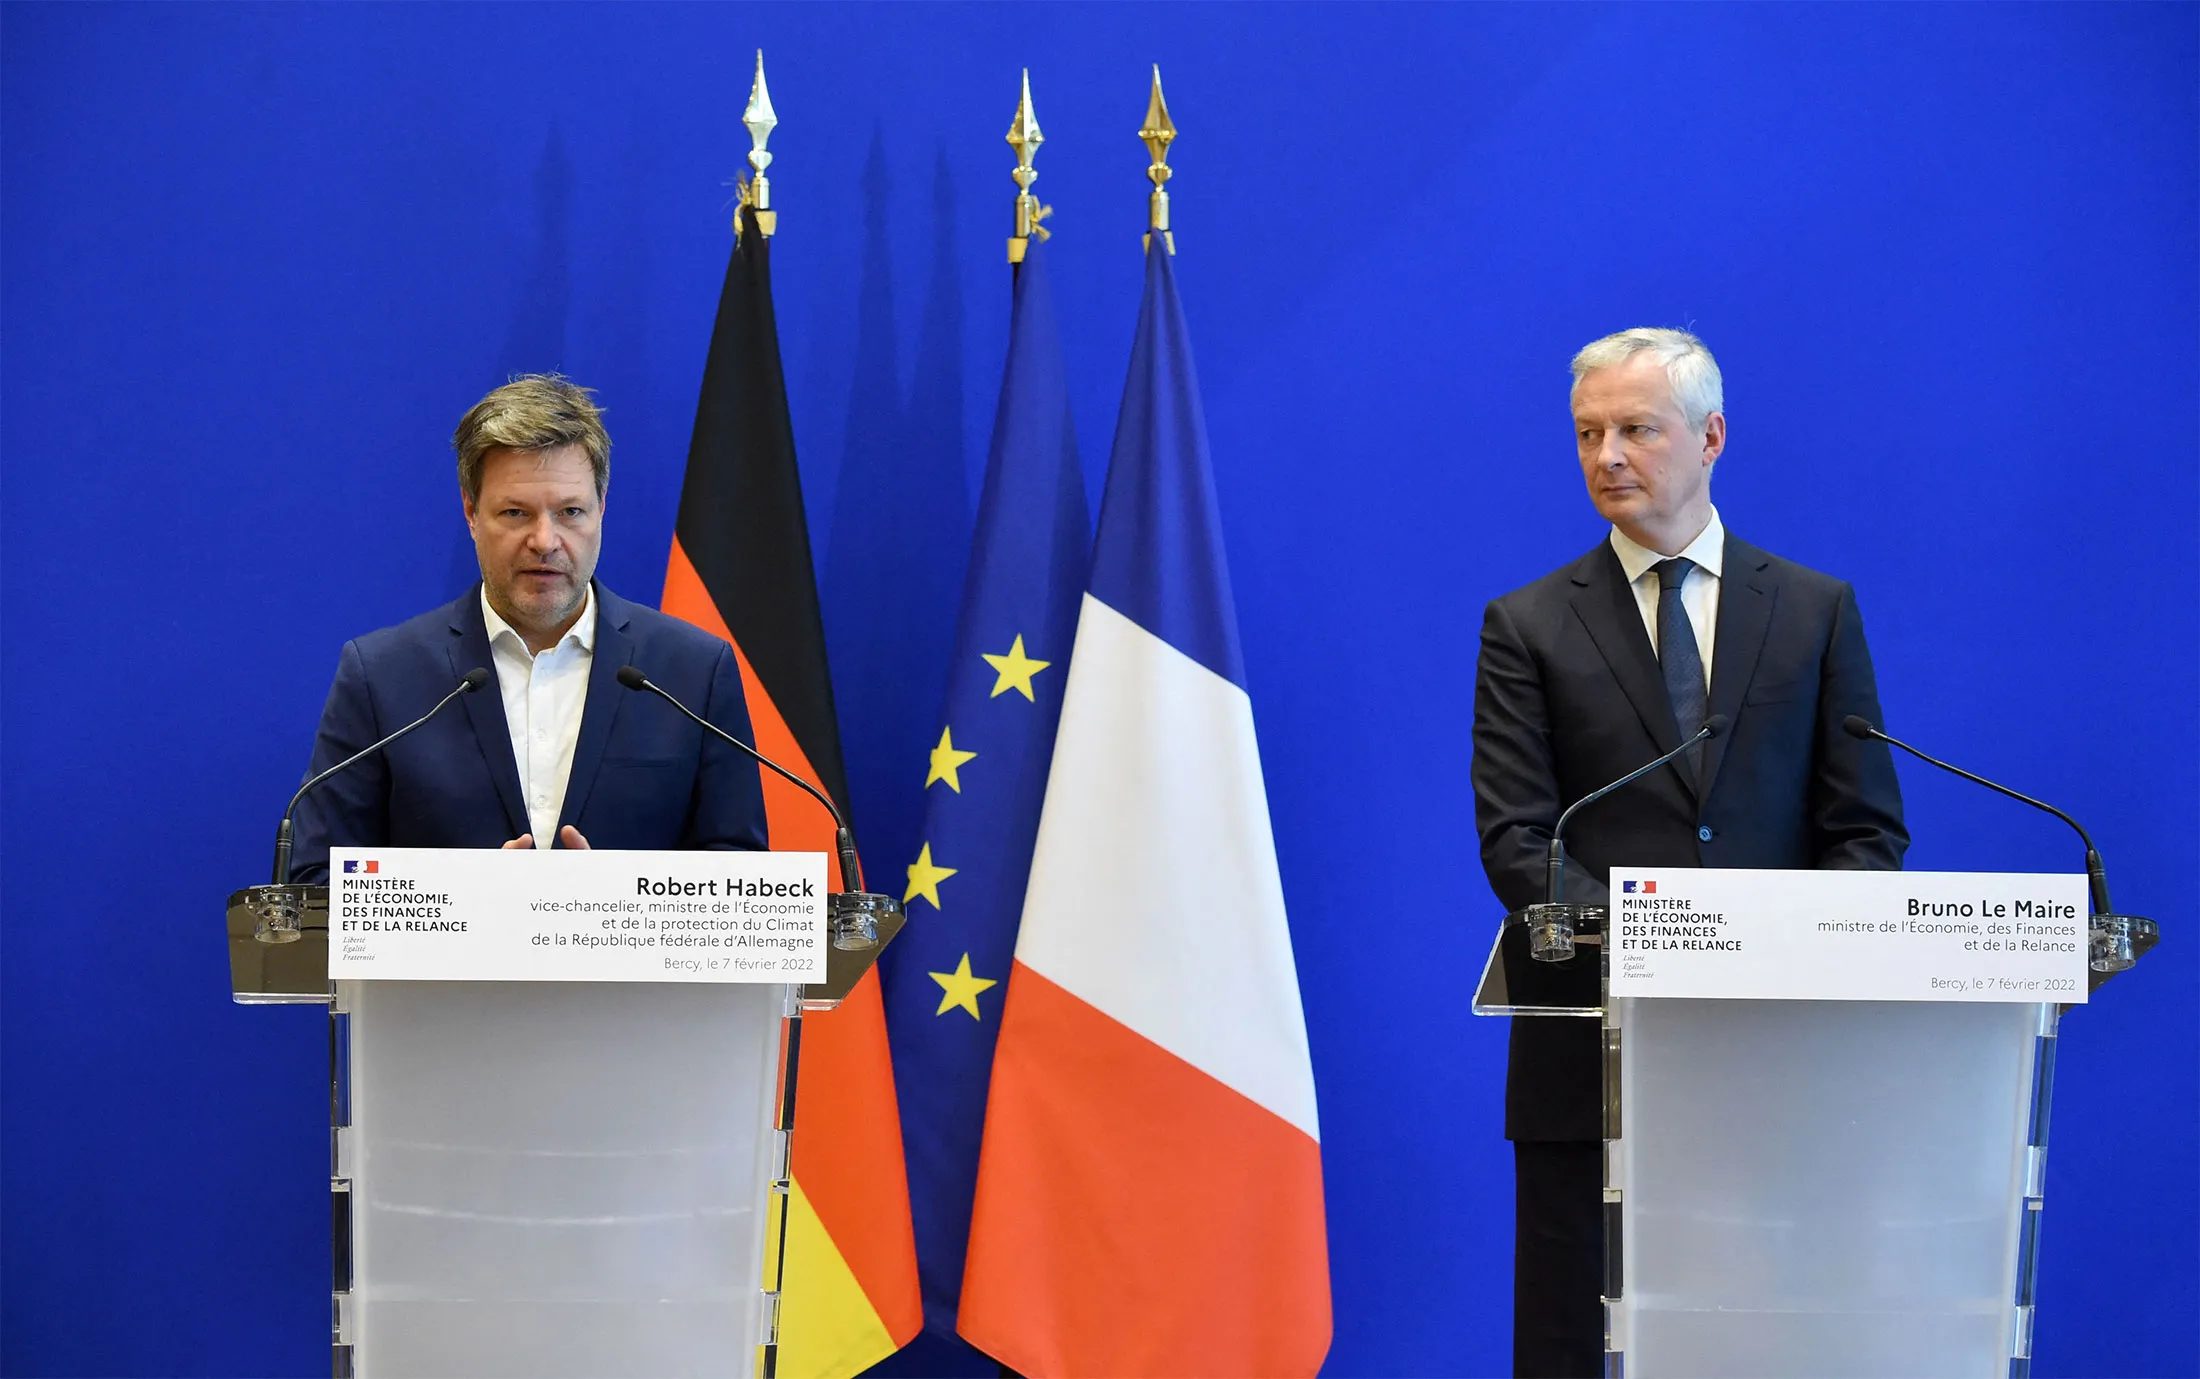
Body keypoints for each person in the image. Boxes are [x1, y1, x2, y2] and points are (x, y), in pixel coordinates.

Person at [1471, 329, 1908, 1377]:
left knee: (1768, 1338)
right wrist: (1657, 956)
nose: (1607, 455)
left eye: (1636, 428)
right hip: (1593, 1057)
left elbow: (1864, 830)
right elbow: (1519, 837)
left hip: (1776, 1056)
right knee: (1577, 1342)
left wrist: (1771, 960)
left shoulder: (1812, 611)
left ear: (1711, 437)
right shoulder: (1528, 624)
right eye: (1588, 434)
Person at [290, 373, 767, 882]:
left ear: (602, 509)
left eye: (570, 512)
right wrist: (471, 902)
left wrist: (616, 902)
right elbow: (315, 879)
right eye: (516, 513)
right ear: (472, 513)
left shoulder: (691, 673)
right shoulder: (382, 676)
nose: (545, 540)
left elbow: (740, 883)